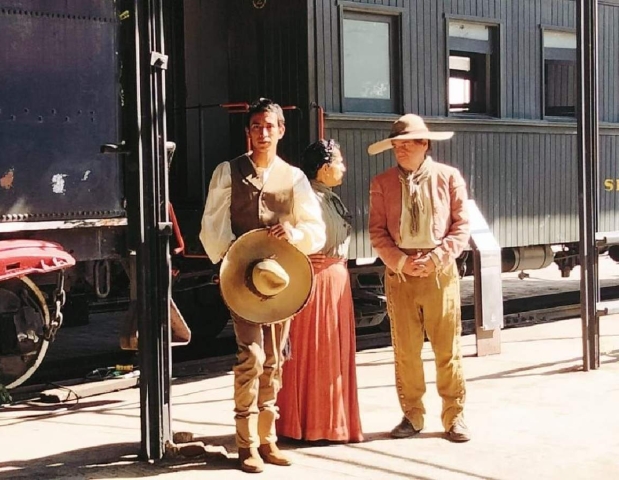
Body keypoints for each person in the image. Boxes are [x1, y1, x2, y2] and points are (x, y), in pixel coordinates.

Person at [199, 98, 325, 473]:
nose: (263, 132)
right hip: (242, 279)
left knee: (274, 358)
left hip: (279, 280)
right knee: (250, 356)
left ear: (281, 130)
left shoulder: (295, 177)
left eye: (269, 126)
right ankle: (245, 443)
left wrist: (294, 232)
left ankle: (268, 438)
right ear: (248, 131)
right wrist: (228, 263)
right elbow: (213, 226)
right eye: (256, 126)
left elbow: (315, 230)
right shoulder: (229, 171)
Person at [367, 113, 471, 443]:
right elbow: (377, 232)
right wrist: (400, 262)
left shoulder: (448, 177)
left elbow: (461, 226)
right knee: (406, 350)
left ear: (425, 144)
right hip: (401, 275)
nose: (400, 149)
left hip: (439, 273)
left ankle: (454, 416)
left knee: (447, 347)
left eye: (408, 143)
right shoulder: (382, 184)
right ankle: (412, 415)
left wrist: (438, 258)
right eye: (396, 144)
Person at [276, 139, 364, 444]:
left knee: (328, 351)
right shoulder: (305, 197)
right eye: (339, 162)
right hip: (317, 280)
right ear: (324, 168)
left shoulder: (328, 196)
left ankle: (325, 422)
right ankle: (312, 424)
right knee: (316, 351)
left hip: (333, 277)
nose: (343, 168)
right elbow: (287, 235)